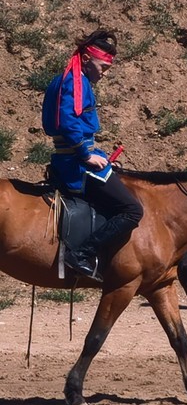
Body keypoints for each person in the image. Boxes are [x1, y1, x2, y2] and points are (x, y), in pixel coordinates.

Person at [41, 29, 143, 281]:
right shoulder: (74, 82)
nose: (104, 73)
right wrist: (86, 155)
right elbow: (68, 121)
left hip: (75, 156)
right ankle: (82, 254)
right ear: (87, 59)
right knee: (132, 210)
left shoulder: (70, 79)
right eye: (103, 67)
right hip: (75, 164)